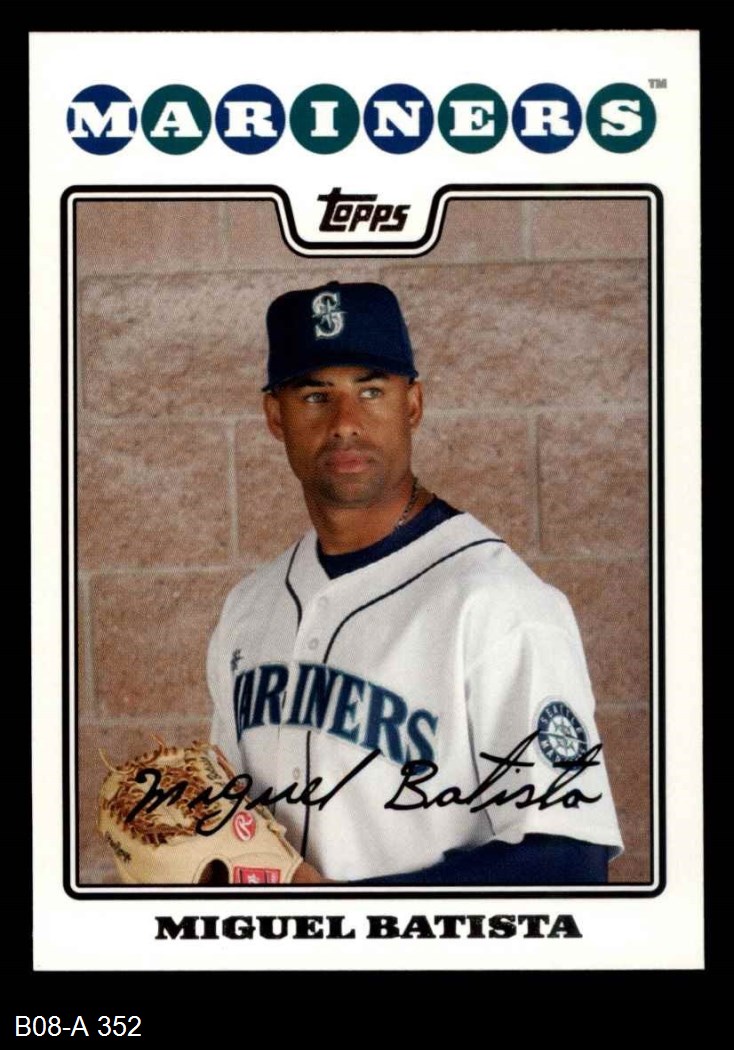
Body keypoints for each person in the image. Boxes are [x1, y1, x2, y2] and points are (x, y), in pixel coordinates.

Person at [207, 280, 623, 885]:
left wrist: (340, 917)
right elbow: (232, 826)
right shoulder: (250, 607)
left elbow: (568, 862)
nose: (345, 423)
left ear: (413, 404)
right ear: (276, 416)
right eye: (315, 395)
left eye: (371, 391)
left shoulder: (500, 603)